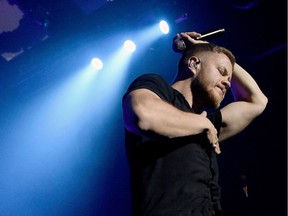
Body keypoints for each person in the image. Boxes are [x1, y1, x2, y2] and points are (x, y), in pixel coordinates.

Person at [121, 31, 268, 216]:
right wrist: (202, 123)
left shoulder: (207, 124)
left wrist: (207, 47)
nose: (228, 84)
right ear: (193, 63)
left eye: (229, 79)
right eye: (221, 72)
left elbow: (257, 101)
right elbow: (142, 115)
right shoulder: (156, 86)